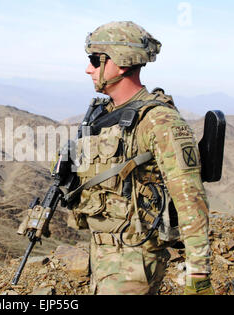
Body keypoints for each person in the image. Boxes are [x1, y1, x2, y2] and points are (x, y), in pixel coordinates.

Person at [68, 21, 214, 295]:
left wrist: (198, 274)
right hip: (105, 256)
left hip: (134, 263)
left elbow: (191, 199)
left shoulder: (159, 121)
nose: (88, 68)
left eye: (94, 60)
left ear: (121, 64)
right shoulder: (107, 113)